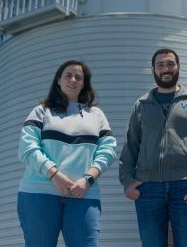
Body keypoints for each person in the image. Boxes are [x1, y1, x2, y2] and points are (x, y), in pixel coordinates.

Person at [119, 48, 187, 247]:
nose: (166, 69)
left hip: (186, 187)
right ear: (153, 70)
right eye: (160, 64)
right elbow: (131, 145)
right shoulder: (141, 104)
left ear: (178, 67)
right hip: (148, 189)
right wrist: (127, 180)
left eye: (170, 64)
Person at [17, 60, 117, 247]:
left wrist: (88, 179)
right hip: (38, 193)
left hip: (84, 194)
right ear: (58, 80)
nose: (73, 80)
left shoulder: (96, 115)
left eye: (79, 77)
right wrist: (54, 174)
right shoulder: (41, 111)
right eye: (68, 75)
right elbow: (27, 148)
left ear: (84, 83)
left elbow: (108, 149)